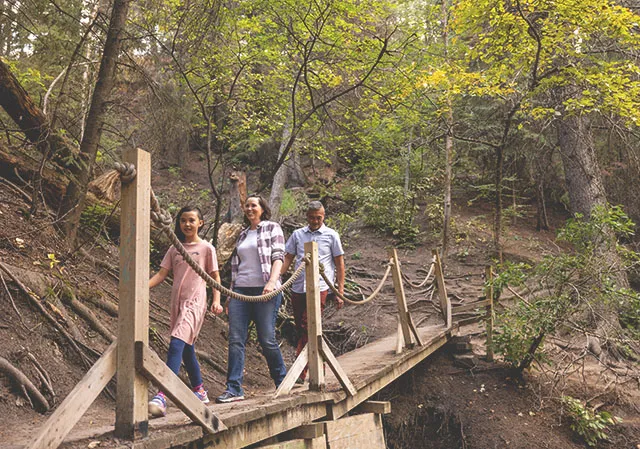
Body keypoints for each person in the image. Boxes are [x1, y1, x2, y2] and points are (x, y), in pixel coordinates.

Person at [147, 206, 223, 417]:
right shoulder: (175, 248)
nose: (187, 224)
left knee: (176, 343)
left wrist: (216, 300)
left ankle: (163, 394)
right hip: (176, 303)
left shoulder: (207, 248)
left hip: (196, 302)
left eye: (191, 220)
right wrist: (142, 287)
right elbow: (162, 274)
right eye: (183, 221)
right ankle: (199, 390)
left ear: (200, 223)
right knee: (187, 346)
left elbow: (215, 277)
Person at [216, 195, 287, 403]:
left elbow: (278, 257)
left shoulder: (272, 228)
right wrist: (231, 294)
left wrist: (272, 282)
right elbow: (236, 268)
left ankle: (281, 380)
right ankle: (234, 388)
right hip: (241, 292)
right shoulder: (242, 234)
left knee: (267, 339)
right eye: (246, 206)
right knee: (236, 340)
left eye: (253, 205)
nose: (249, 209)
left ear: (262, 209)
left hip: (266, 289)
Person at [281, 201, 345, 383]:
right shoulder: (297, 235)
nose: (315, 221)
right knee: (302, 328)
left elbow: (340, 264)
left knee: (309, 324)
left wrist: (340, 291)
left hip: (320, 286)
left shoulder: (331, 235)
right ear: (306, 216)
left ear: (323, 216)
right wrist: (275, 278)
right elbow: (287, 259)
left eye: (319, 217)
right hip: (298, 286)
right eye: (312, 217)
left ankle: (300, 372)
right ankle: (320, 366)